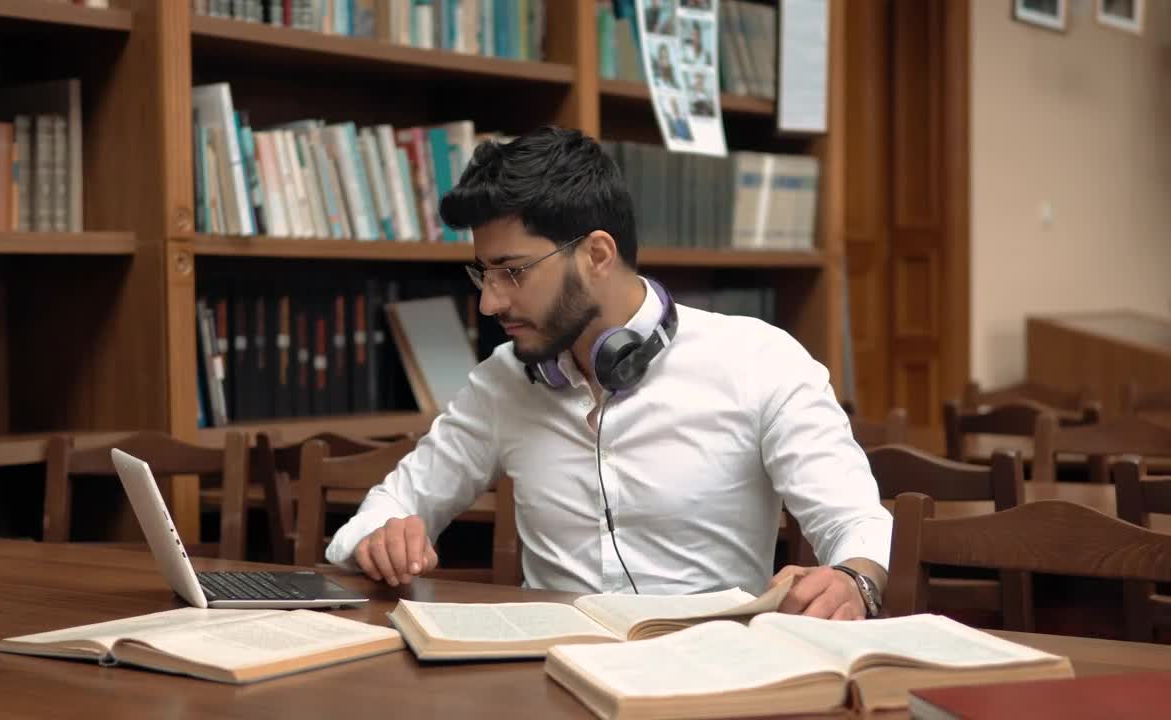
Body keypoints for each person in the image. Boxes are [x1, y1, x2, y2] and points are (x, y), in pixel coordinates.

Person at [325, 126, 892, 621]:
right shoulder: (503, 381)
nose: (489, 303)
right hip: (545, 676)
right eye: (484, 274)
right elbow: (380, 512)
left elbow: (857, 524)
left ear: (597, 254)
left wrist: (852, 580)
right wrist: (383, 537)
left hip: (709, 675)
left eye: (513, 272)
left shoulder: (759, 360)